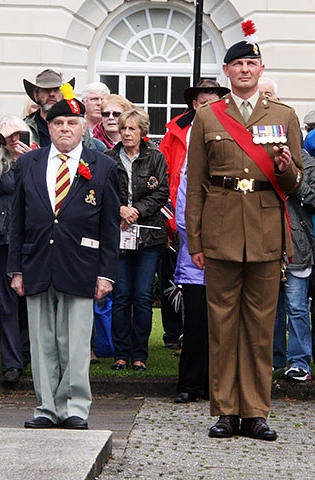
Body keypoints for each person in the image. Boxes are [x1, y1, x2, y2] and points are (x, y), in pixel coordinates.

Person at [186, 19, 303, 441]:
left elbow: (296, 185)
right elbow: (195, 183)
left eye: (251, 63)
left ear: (260, 68)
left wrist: (287, 168)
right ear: (227, 71)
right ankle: (225, 411)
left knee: (259, 326)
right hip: (219, 232)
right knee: (222, 325)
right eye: (237, 64)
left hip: (266, 231)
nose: (245, 70)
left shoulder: (284, 115)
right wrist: (193, 239)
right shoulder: (208, 117)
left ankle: (255, 411)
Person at [8, 85, 120, 429]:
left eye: (72, 123)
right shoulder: (28, 163)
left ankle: (75, 408)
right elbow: (18, 220)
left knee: (74, 342)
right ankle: (46, 408)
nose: (65, 130)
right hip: (37, 262)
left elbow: (110, 224)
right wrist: (15, 269)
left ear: (83, 128)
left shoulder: (101, 165)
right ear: (49, 127)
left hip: (82, 265)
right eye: (59, 125)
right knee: (42, 343)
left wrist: (107, 273)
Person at [159, 79, 230, 350]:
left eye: (213, 102)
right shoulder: (176, 131)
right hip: (178, 217)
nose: (209, 108)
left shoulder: (228, 130)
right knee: (180, 283)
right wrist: (170, 217)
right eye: (203, 103)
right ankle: (177, 335)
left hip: (219, 224)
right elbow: (164, 172)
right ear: (194, 104)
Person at [105, 108, 169, 371]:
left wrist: (138, 209)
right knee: (120, 296)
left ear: (143, 131)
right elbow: (103, 191)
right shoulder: (109, 158)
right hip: (118, 234)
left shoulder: (156, 157)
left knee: (142, 297)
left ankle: (139, 354)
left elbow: (162, 192)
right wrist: (120, 208)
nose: (127, 133)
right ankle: (121, 353)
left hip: (149, 234)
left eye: (132, 128)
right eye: (123, 129)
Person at [0, 115, 35, 383]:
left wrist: (29, 161)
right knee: (7, 303)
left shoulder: (37, 160)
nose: (15, 141)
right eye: (9, 136)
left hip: (30, 240)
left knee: (30, 301)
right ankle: (12, 364)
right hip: (2, 239)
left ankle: (25, 354)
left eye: (19, 135)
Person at [273, 131, 315, 380]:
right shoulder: (264, 161)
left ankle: (299, 362)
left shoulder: (310, 163)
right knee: (270, 309)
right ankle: (273, 359)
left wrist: (294, 180)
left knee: (297, 307)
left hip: (297, 245)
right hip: (268, 243)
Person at [173, 173, 209, 403]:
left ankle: (215, 384)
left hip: (227, 260)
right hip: (196, 263)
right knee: (196, 324)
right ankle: (190, 383)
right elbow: (183, 217)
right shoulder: (191, 176)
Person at [23, 69, 75, 146]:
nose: (51, 94)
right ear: (36, 96)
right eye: (46, 90)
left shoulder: (76, 126)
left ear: (63, 95)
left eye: (56, 89)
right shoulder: (24, 127)